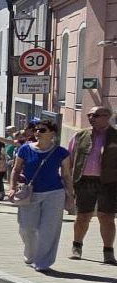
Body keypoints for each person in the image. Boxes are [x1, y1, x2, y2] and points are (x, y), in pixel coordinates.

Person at [9, 122, 74, 272]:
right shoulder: (25, 149)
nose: (37, 132)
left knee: (49, 229)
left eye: (42, 130)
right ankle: (31, 254)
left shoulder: (61, 152)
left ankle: (43, 262)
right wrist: (12, 187)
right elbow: (16, 169)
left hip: (54, 193)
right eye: (36, 130)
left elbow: (65, 175)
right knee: (26, 227)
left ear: (52, 133)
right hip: (30, 193)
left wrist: (70, 195)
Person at [69, 106, 117, 263]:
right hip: (84, 181)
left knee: (107, 217)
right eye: (89, 115)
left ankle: (108, 252)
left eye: (95, 115)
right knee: (83, 216)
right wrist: (68, 182)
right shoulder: (80, 135)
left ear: (107, 116)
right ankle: (77, 247)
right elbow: (69, 159)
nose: (91, 118)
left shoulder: (115, 136)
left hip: (109, 182)